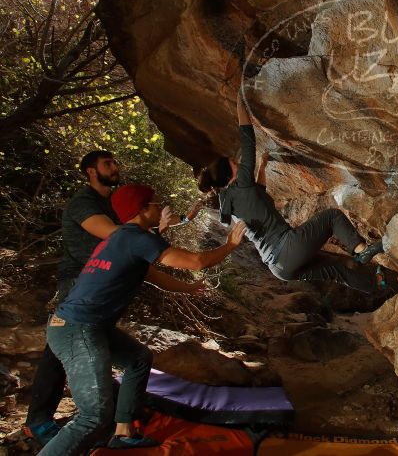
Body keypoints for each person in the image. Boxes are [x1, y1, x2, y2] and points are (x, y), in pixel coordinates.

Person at [39, 184, 246, 455]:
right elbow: (196, 262)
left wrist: (189, 289)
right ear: (143, 209)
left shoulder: (121, 239)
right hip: (78, 329)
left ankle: (124, 432)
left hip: (82, 325)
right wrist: (230, 244)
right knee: (93, 417)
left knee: (138, 358)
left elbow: (155, 276)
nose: (160, 207)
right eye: (155, 203)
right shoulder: (137, 239)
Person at [24, 151, 191, 446]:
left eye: (115, 162)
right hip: (82, 276)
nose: (115, 167)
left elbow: (134, 234)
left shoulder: (112, 204)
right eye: (107, 164)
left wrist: (181, 219)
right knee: (63, 348)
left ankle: (119, 422)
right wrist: (154, 232)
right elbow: (120, 238)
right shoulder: (83, 202)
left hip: (106, 276)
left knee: (119, 352)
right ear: (91, 171)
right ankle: (40, 421)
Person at [197, 96, 386, 293]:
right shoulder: (240, 183)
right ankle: (363, 252)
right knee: (332, 217)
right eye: (233, 163)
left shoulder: (230, 202)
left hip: (278, 268)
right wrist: (240, 102)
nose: (236, 163)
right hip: (286, 249)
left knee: (335, 270)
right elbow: (248, 140)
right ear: (229, 174)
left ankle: (379, 287)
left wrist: (262, 166)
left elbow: (258, 195)